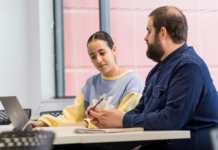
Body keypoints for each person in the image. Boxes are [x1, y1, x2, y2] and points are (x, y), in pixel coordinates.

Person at [86, 6, 218, 150]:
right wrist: (109, 119)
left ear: (162, 33)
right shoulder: (158, 70)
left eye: (149, 31)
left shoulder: (189, 67)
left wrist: (123, 120)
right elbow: (141, 111)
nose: (145, 37)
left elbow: (171, 120)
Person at [31, 31, 144, 129]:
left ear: (113, 50)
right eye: (93, 56)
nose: (98, 60)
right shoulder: (91, 83)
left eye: (102, 53)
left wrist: (85, 123)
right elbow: (71, 117)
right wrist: (41, 123)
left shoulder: (132, 81)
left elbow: (123, 119)